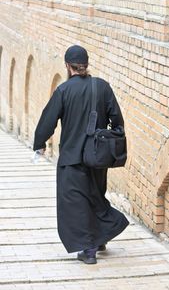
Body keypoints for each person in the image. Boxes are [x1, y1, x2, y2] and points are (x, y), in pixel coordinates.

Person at [33, 45, 129, 264]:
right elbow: (118, 122)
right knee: (95, 197)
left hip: (72, 158)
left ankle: (88, 250)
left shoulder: (64, 91)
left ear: (68, 66)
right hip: (97, 158)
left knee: (75, 205)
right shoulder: (102, 87)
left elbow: (48, 120)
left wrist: (40, 143)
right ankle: (101, 238)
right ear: (86, 65)